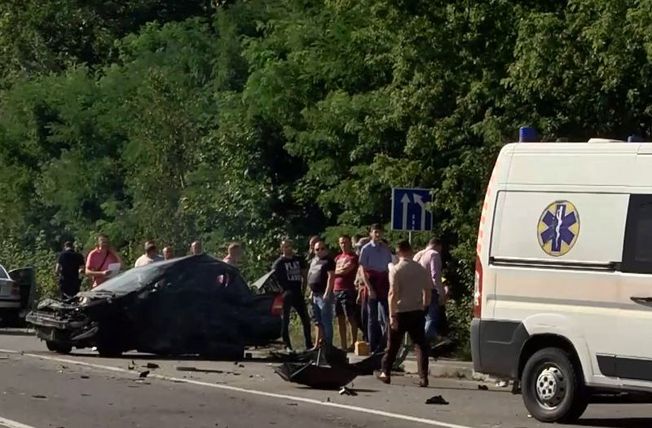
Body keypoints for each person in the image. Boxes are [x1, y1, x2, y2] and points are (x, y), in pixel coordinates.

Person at [378, 240, 431, 387]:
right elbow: (427, 290)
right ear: (411, 251)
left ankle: (385, 372)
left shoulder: (396, 270)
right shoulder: (421, 269)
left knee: (393, 345)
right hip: (416, 311)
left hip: (400, 311)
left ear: (398, 252)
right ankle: (423, 376)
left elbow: (392, 294)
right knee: (420, 345)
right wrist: (424, 306)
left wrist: (392, 315)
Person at [272, 239, 313, 351]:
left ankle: (309, 344)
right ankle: (287, 345)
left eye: (289, 246)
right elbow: (273, 279)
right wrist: (281, 292)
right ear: (282, 248)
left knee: (306, 319)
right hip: (286, 293)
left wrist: (304, 290)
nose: (288, 248)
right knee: (285, 320)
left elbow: (305, 276)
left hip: (298, 292)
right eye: (285, 247)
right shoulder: (279, 263)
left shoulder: (298, 259)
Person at [358, 224, 393, 353]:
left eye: (380, 232)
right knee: (372, 317)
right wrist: (369, 288)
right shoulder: (366, 249)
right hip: (371, 281)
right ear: (371, 233)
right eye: (375, 232)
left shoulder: (385, 249)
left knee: (386, 314)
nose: (378, 235)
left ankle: (387, 344)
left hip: (383, 281)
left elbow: (389, 267)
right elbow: (362, 270)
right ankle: (373, 345)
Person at [413, 237, 447, 344]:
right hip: (430, 290)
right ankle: (423, 342)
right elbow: (435, 276)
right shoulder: (434, 255)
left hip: (416, 290)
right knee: (432, 317)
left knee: (420, 317)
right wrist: (441, 292)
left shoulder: (418, 255)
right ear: (438, 246)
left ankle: (418, 341)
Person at [307, 241, 336, 347]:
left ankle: (328, 345)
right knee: (318, 321)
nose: (320, 251)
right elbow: (311, 276)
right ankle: (319, 345)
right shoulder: (313, 261)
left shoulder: (329, 261)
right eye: (317, 249)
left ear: (326, 249)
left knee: (326, 320)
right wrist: (311, 293)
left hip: (323, 294)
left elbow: (331, 277)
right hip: (314, 294)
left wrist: (327, 293)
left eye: (322, 248)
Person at [334, 234, 359, 351]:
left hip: (347, 290)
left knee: (350, 317)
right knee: (340, 318)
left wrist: (335, 272)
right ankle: (343, 345)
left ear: (349, 243)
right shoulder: (337, 258)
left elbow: (345, 271)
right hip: (336, 290)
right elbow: (332, 270)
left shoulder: (353, 257)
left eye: (345, 242)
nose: (343, 245)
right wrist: (336, 271)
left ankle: (353, 343)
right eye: (341, 242)